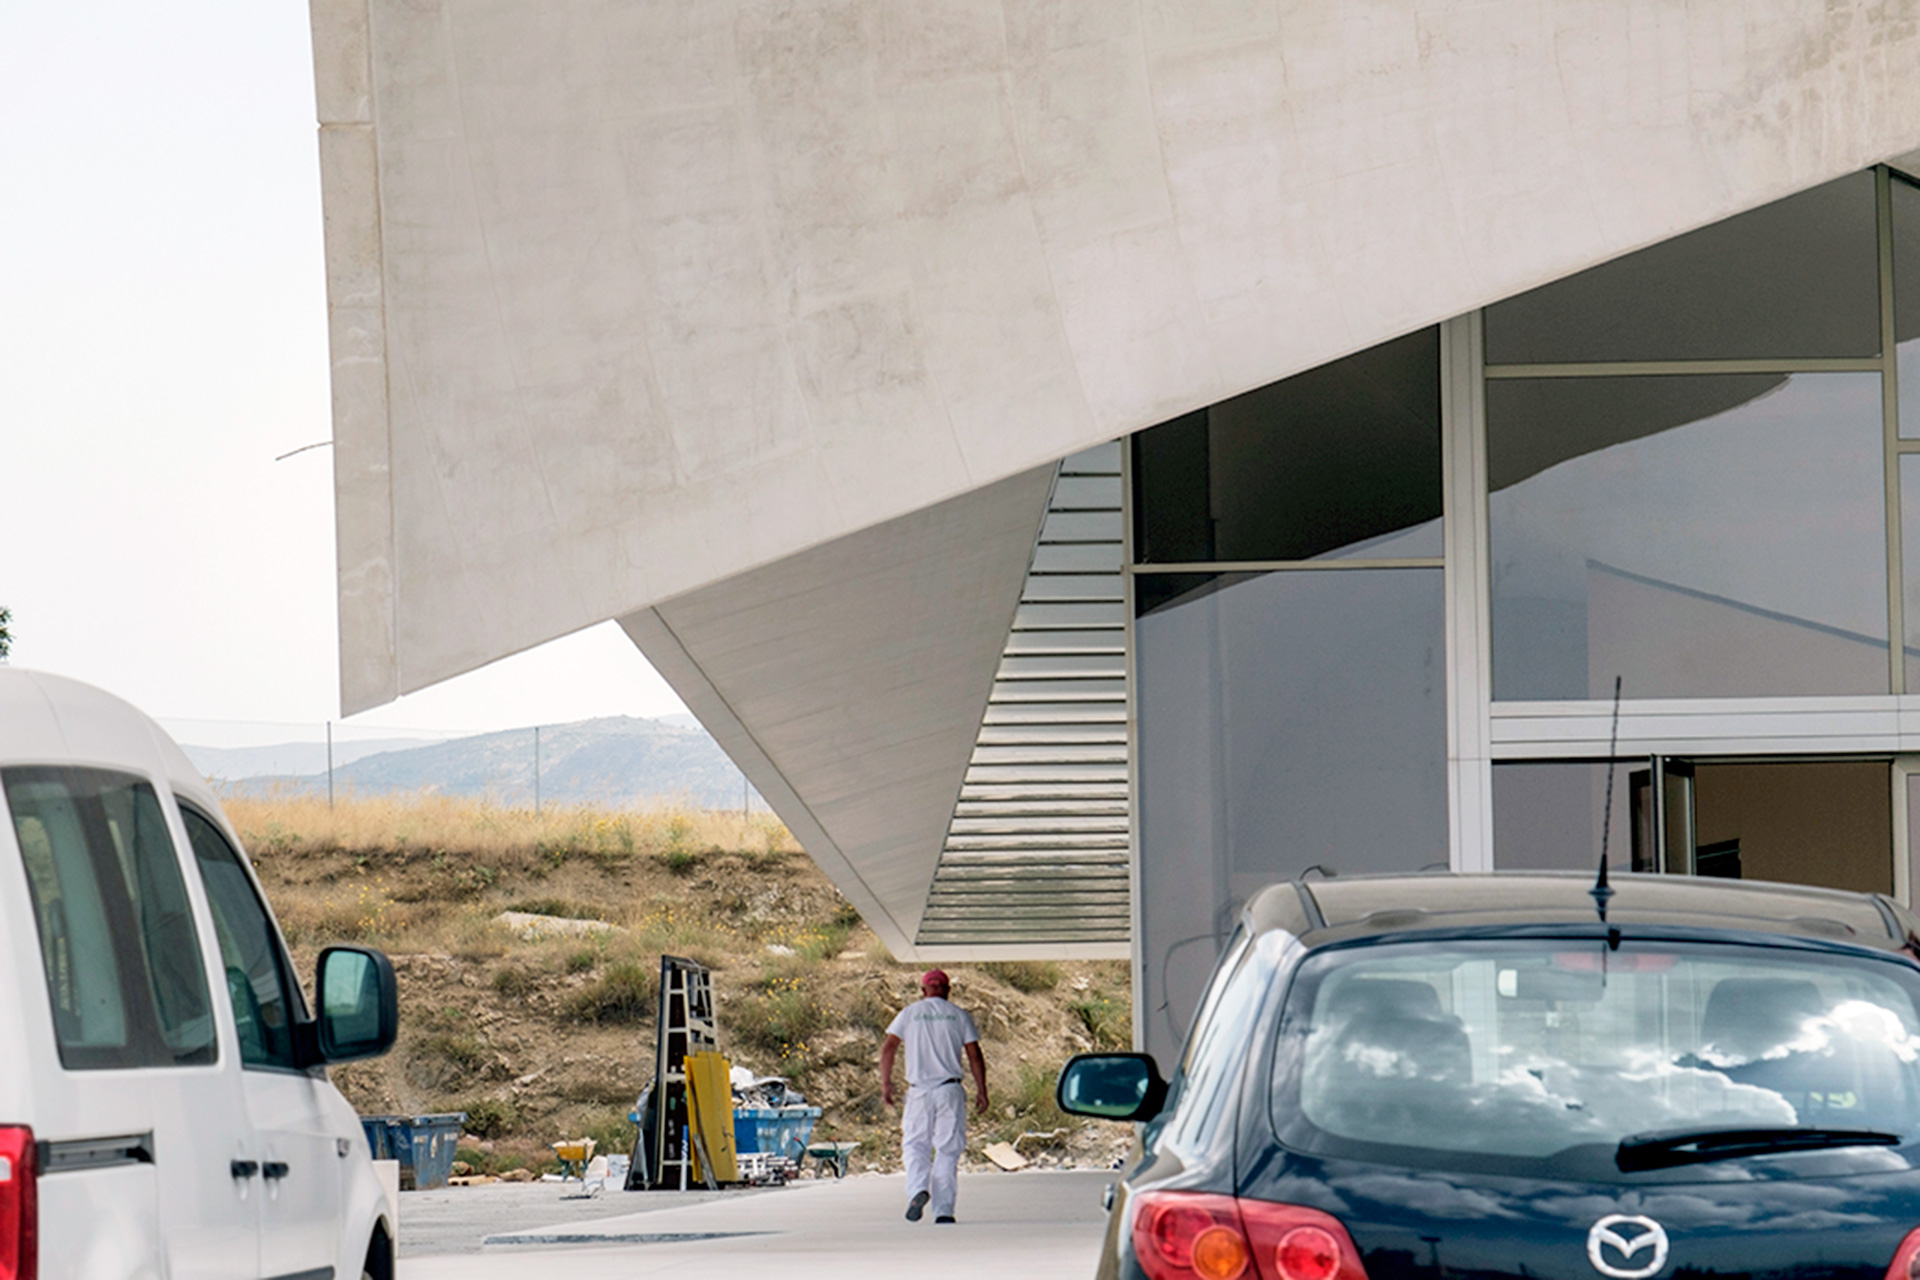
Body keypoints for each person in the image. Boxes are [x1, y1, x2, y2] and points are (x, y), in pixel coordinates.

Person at [879, 968, 988, 1223]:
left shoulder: (909, 1014)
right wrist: (982, 1090)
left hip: (918, 1092)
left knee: (916, 1145)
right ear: (948, 990)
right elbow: (974, 1055)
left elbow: (889, 1049)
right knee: (947, 1150)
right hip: (949, 1090)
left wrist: (886, 1083)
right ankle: (944, 1211)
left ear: (923, 990)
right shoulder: (959, 1015)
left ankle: (918, 1189)